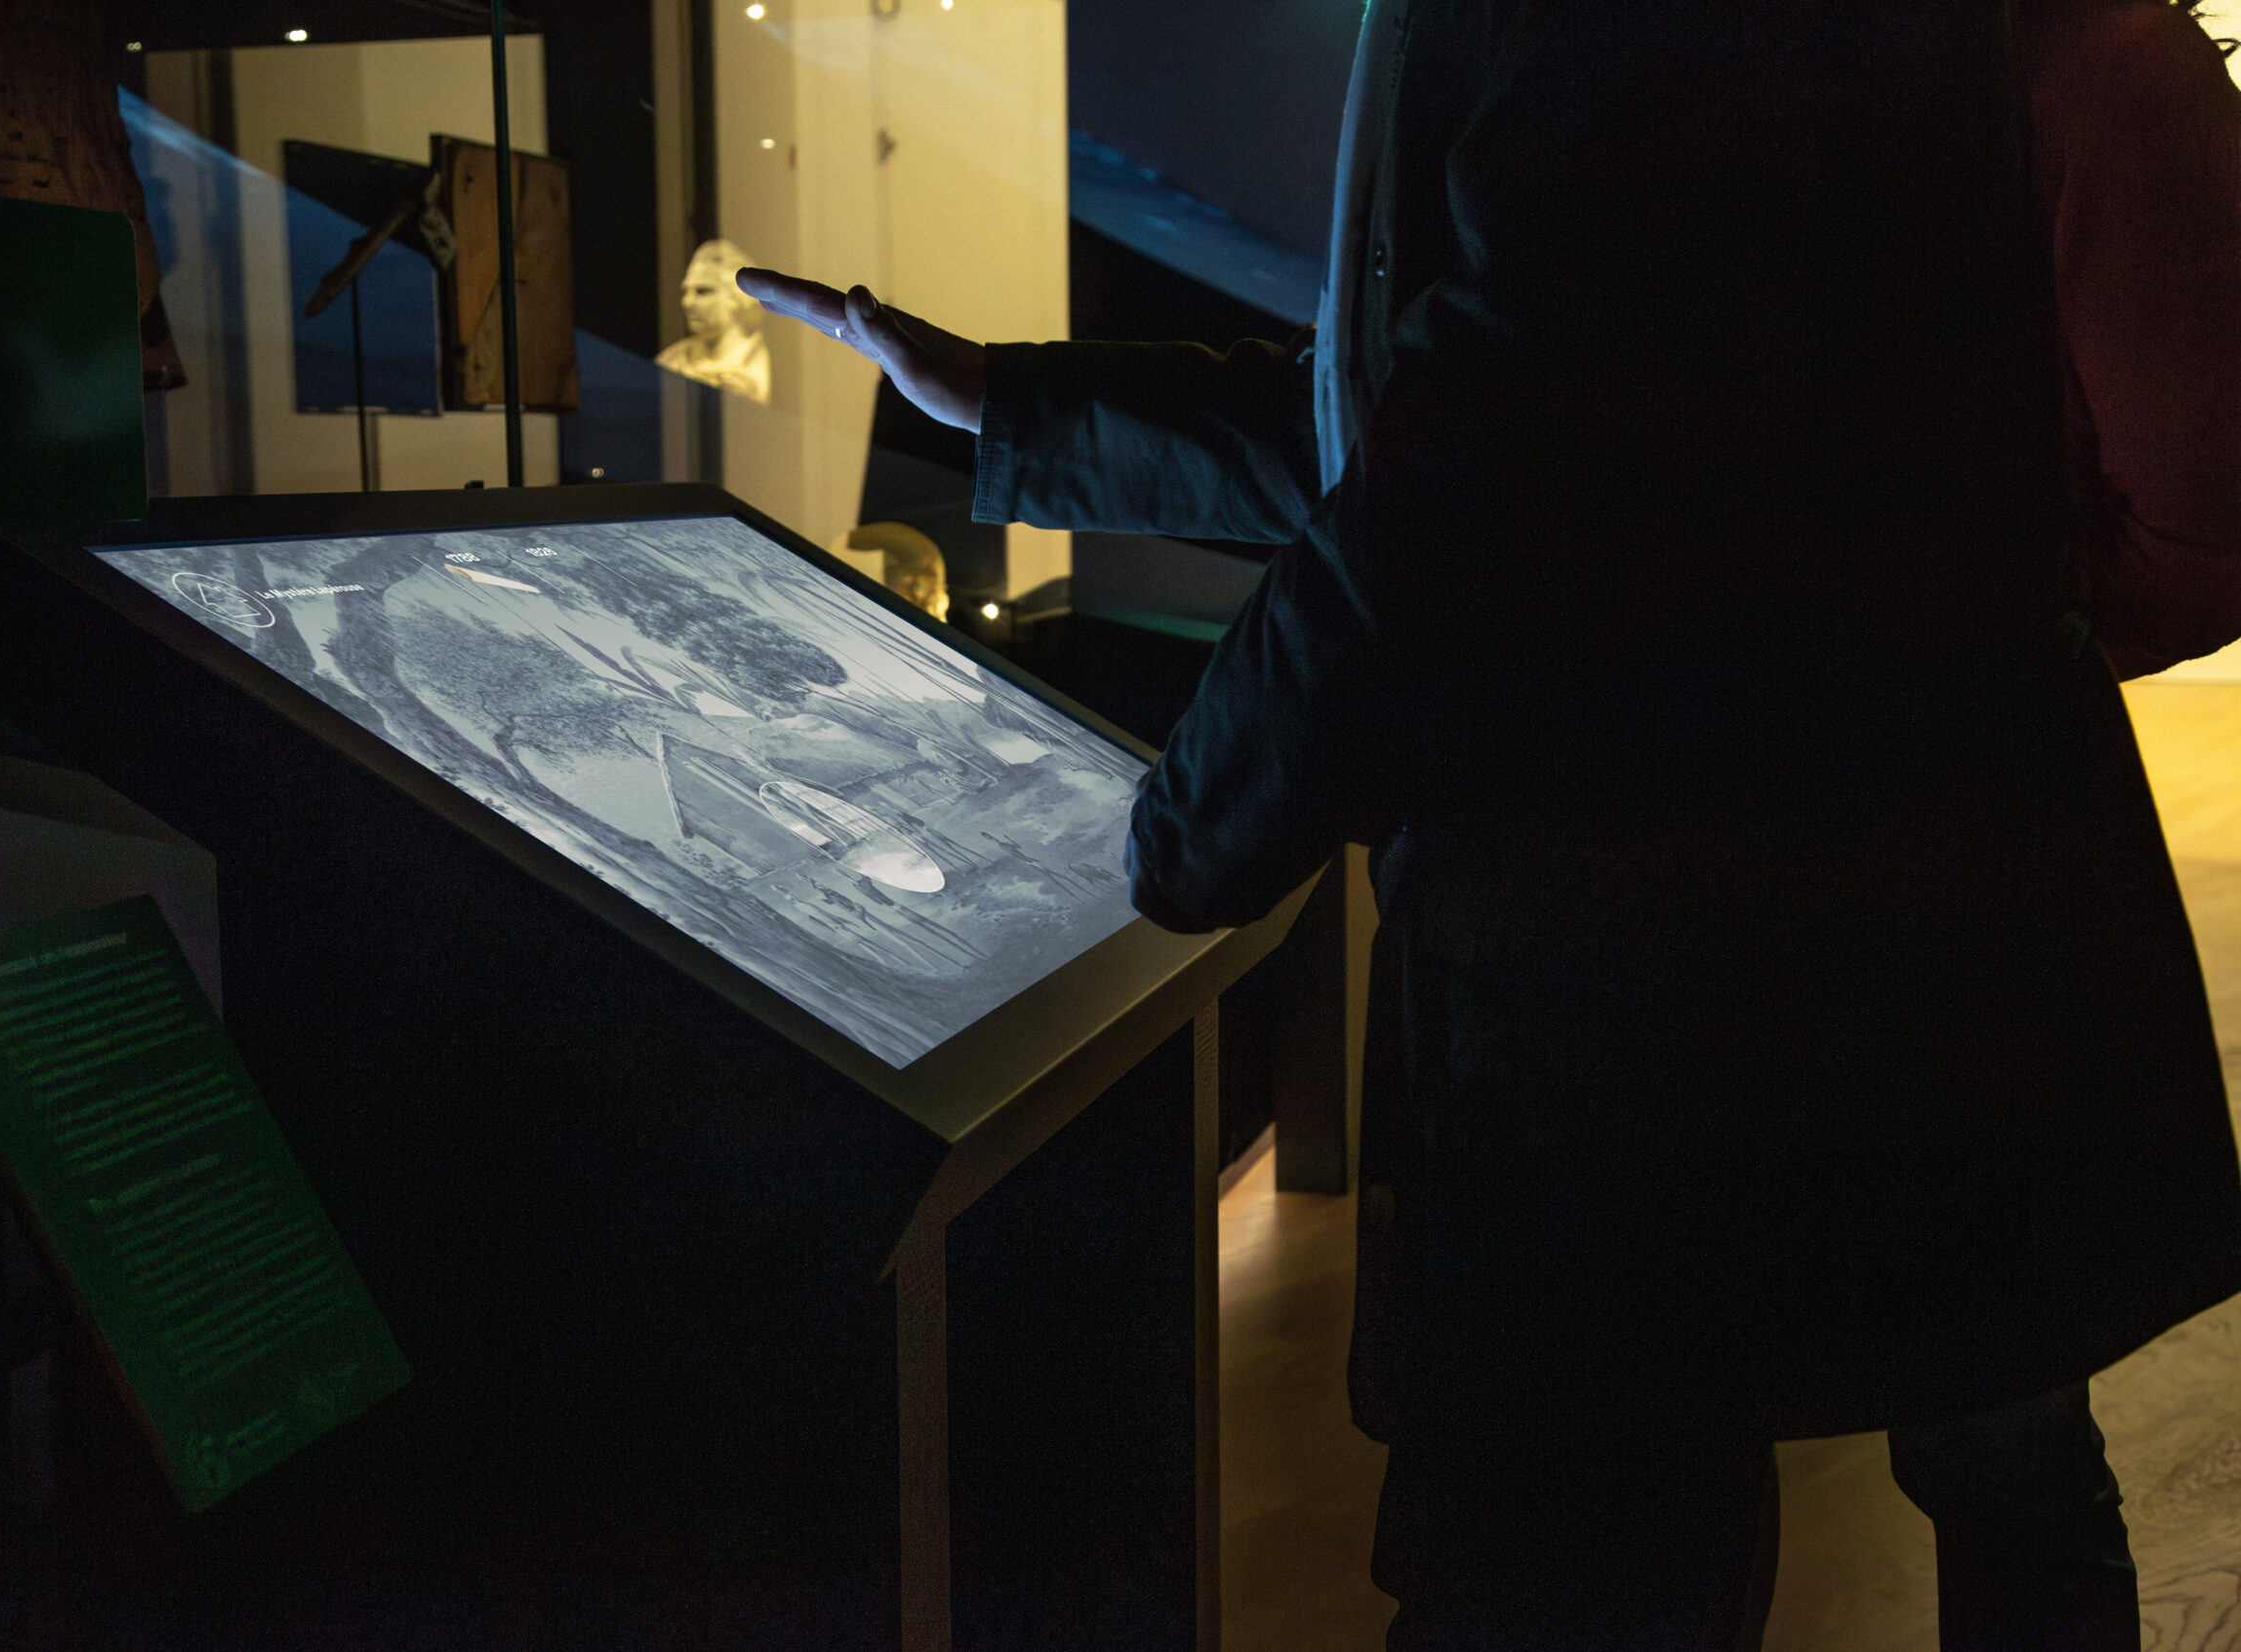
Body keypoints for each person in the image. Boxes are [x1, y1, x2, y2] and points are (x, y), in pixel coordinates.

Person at [742, 0, 2241, 1643]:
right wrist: (1020, 412)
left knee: (1582, 1549)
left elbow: (1486, 448)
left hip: (1638, 995)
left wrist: (1188, 820)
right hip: (1712, 969)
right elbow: (1443, 408)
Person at [656, 238, 772, 405]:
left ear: (737, 297)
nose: (687, 302)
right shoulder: (672, 361)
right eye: (686, 292)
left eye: (703, 291)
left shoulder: (775, 363)